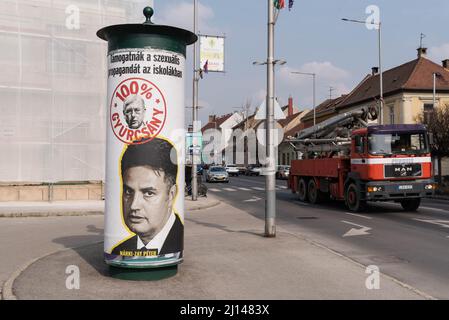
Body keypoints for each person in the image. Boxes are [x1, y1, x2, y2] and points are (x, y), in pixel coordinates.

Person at [111, 138, 183, 256]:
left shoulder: (177, 245)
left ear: (171, 195)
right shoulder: (119, 251)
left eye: (148, 193)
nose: (134, 205)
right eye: (128, 191)